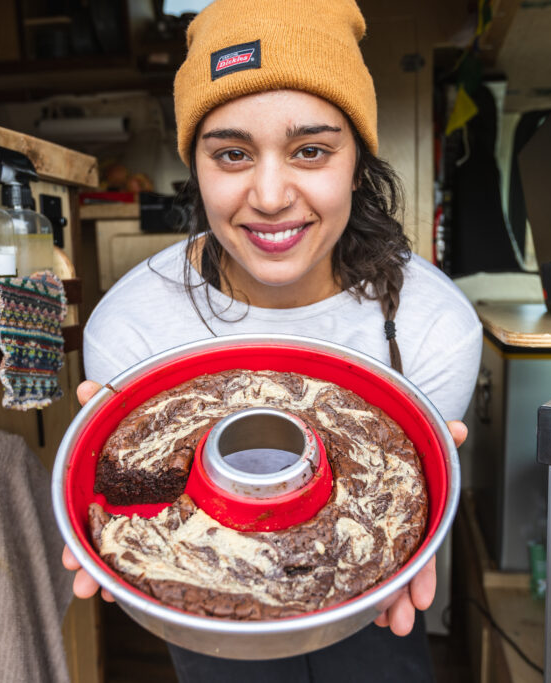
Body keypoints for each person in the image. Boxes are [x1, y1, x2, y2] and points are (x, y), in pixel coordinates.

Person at [63, 0, 483, 679]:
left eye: (310, 150)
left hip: (374, 604)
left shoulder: (432, 325)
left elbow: (402, 517)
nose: (268, 194)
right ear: (195, 166)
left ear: (356, 160)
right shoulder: (135, 329)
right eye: (231, 153)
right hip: (210, 619)